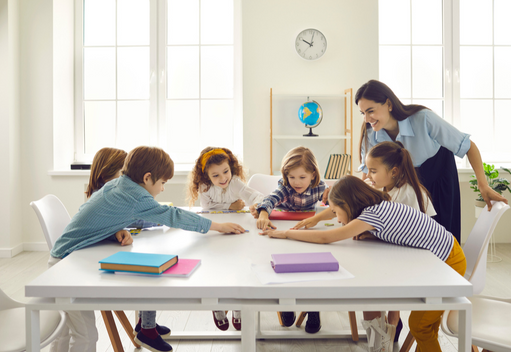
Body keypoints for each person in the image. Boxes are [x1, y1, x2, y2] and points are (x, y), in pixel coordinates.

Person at [50, 146, 245, 352]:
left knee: (63, 330)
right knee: (85, 336)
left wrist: (116, 229)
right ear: (147, 178)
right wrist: (217, 226)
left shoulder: (119, 184)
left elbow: (94, 215)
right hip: (68, 264)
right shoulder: (136, 196)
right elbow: (172, 215)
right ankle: (145, 325)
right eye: (162, 183)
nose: (162, 189)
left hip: (67, 257)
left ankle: (146, 324)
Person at [262, 175, 467, 352]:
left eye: (335, 211)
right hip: (444, 254)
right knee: (425, 325)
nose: (337, 217)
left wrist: (287, 233)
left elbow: (328, 238)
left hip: (448, 262)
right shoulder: (377, 206)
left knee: (420, 325)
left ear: (347, 204)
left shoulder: (372, 215)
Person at [294, 141, 437, 343]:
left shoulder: (410, 193)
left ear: (393, 171)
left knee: (367, 278)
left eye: (372, 171)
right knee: (363, 274)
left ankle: (391, 321)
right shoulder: (380, 188)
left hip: (412, 258)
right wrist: (317, 218)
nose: (367, 176)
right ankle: (378, 338)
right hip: (389, 253)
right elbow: (349, 204)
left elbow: (409, 233)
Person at [356, 79, 508, 243]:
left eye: (370, 111)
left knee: (440, 239)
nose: (366, 118)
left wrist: (483, 185)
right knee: (406, 238)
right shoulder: (370, 133)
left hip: (439, 179)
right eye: (362, 113)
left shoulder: (423, 119)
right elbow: (368, 175)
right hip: (404, 186)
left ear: (388, 104)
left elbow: (468, 146)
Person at [251, 146, 327, 334]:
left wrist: (330, 204)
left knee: (312, 269)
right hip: (283, 233)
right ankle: (286, 303)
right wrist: (262, 214)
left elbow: (333, 206)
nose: (296, 182)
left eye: (302, 177)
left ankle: (313, 309)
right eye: (292, 177)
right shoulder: (285, 187)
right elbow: (270, 199)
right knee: (283, 267)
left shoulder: (321, 188)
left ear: (313, 174)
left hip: (308, 232)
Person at [186, 146, 264, 331]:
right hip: (214, 231)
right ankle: (217, 306)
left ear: (231, 168)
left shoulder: (235, 182)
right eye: (216, 176)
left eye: (226, 172)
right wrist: (231, 207)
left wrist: (258, 205)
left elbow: (255, 195)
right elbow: (208, 210)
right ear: (206, 176)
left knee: (240, 267)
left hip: (237, 231)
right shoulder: (204, 187)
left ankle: (238, 308)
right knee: (215, 269)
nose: (223, 178)